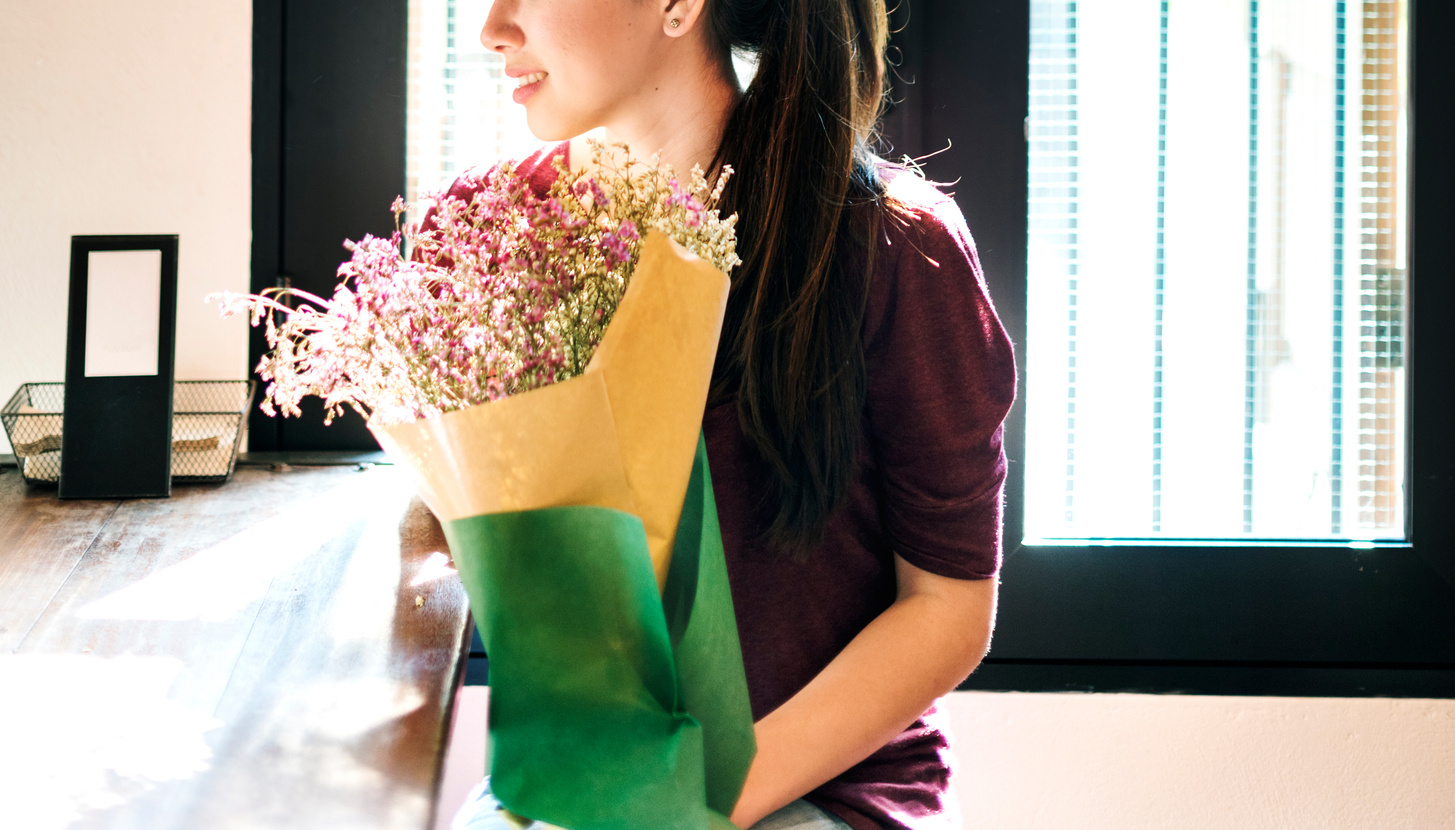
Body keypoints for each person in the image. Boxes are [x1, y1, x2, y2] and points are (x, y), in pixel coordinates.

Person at [452, 0, 1015, 827]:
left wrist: (697, 802)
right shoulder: (485, 236)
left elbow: (948, 606)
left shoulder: (892, 245)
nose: (491, 27)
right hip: (579, 778)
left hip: (817, 790)